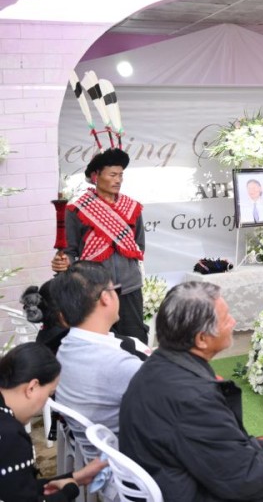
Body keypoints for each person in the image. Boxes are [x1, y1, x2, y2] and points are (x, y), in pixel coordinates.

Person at [119, 281, 263, 501]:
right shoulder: (191, 398)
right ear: (201, 339)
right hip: (189, 492)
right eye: (226, 318)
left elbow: (236, 445)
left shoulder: (161, 364)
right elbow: (244, 478)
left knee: (252, 444)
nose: (233, 322)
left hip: (180, 477)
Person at [51, 148, 147, 343]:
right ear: (96, 176)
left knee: (135, 339)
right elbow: (70, 250)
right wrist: (64, 262)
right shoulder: (76, 209)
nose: (118, 180)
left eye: (121, 175)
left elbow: (139, 246)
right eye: (112, 174)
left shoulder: (132, 207)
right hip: (94, 289)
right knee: (99, 341)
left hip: (129, 288)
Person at [49, 261, 146, 437]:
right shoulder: (119, 364)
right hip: (123, 457)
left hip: (91, 448)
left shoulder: (65, 347)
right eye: (114, 289)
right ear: (105, 298)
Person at [0, 343, 106, 502]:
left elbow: (14, 487)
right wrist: (70, 490)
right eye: (49, 394)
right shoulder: (11, 435)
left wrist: (75, 477)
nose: (46, 402)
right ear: (32, 387)